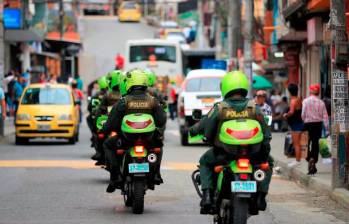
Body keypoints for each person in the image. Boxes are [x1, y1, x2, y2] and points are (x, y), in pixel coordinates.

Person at [190, 71, 272, 214]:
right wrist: (264, 152)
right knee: (268, 163)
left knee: (205, 161)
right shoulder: (254, 107)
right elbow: (266, 134)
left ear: (226, 87)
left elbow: (207, 129)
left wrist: (204, 136)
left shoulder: (220, 108)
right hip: (252, 155)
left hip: (224, 155)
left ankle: (208, 197)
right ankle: (261, 197)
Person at [102, 69, 167, 193]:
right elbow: (161, 120)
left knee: (107, 145)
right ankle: (156, 174)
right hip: (149, 139)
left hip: (126, 140)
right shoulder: (152, 101)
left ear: (129, 83)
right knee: (159, 146)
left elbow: (111, 123)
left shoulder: (123, 101)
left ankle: (115, 177)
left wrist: (104, 129)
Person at [302, 83, 329, 175]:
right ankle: (313, 162)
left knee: (304, 145)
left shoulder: (305, 101)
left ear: (310, 91)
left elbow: (303, 114)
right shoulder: (321, 102)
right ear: (318, 92)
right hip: (318, 125)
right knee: (315, 145)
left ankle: (310, 159)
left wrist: (305, 121)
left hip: (307, 125)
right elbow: (325, 117)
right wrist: (327, 130)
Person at [283, 84, 304, 167]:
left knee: (296, 144)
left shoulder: (293, 101)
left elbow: (291, 112)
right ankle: (297, 160)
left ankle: (297, 161)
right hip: (299, 123)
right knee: (297, 143)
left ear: (290, 92)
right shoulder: (298, 99)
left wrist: (286, 115)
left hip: (296, 124)